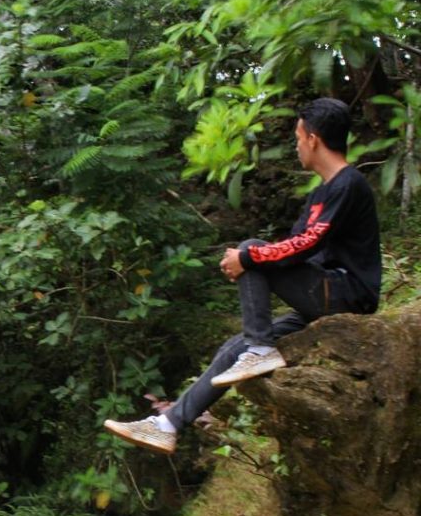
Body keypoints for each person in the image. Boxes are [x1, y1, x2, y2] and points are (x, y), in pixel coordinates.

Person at [104, 97, 382, 455]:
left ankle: (261, 347)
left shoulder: (349, 183)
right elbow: (292, 246)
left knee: (251, 249)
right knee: (234, 349)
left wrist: (247, 257)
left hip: (347, 294)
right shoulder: (322, 191)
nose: (296, 146)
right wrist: (248, 261)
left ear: (313, 139)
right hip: (324, 295)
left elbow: (306, 244)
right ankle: (167, 424)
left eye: (298, 138)